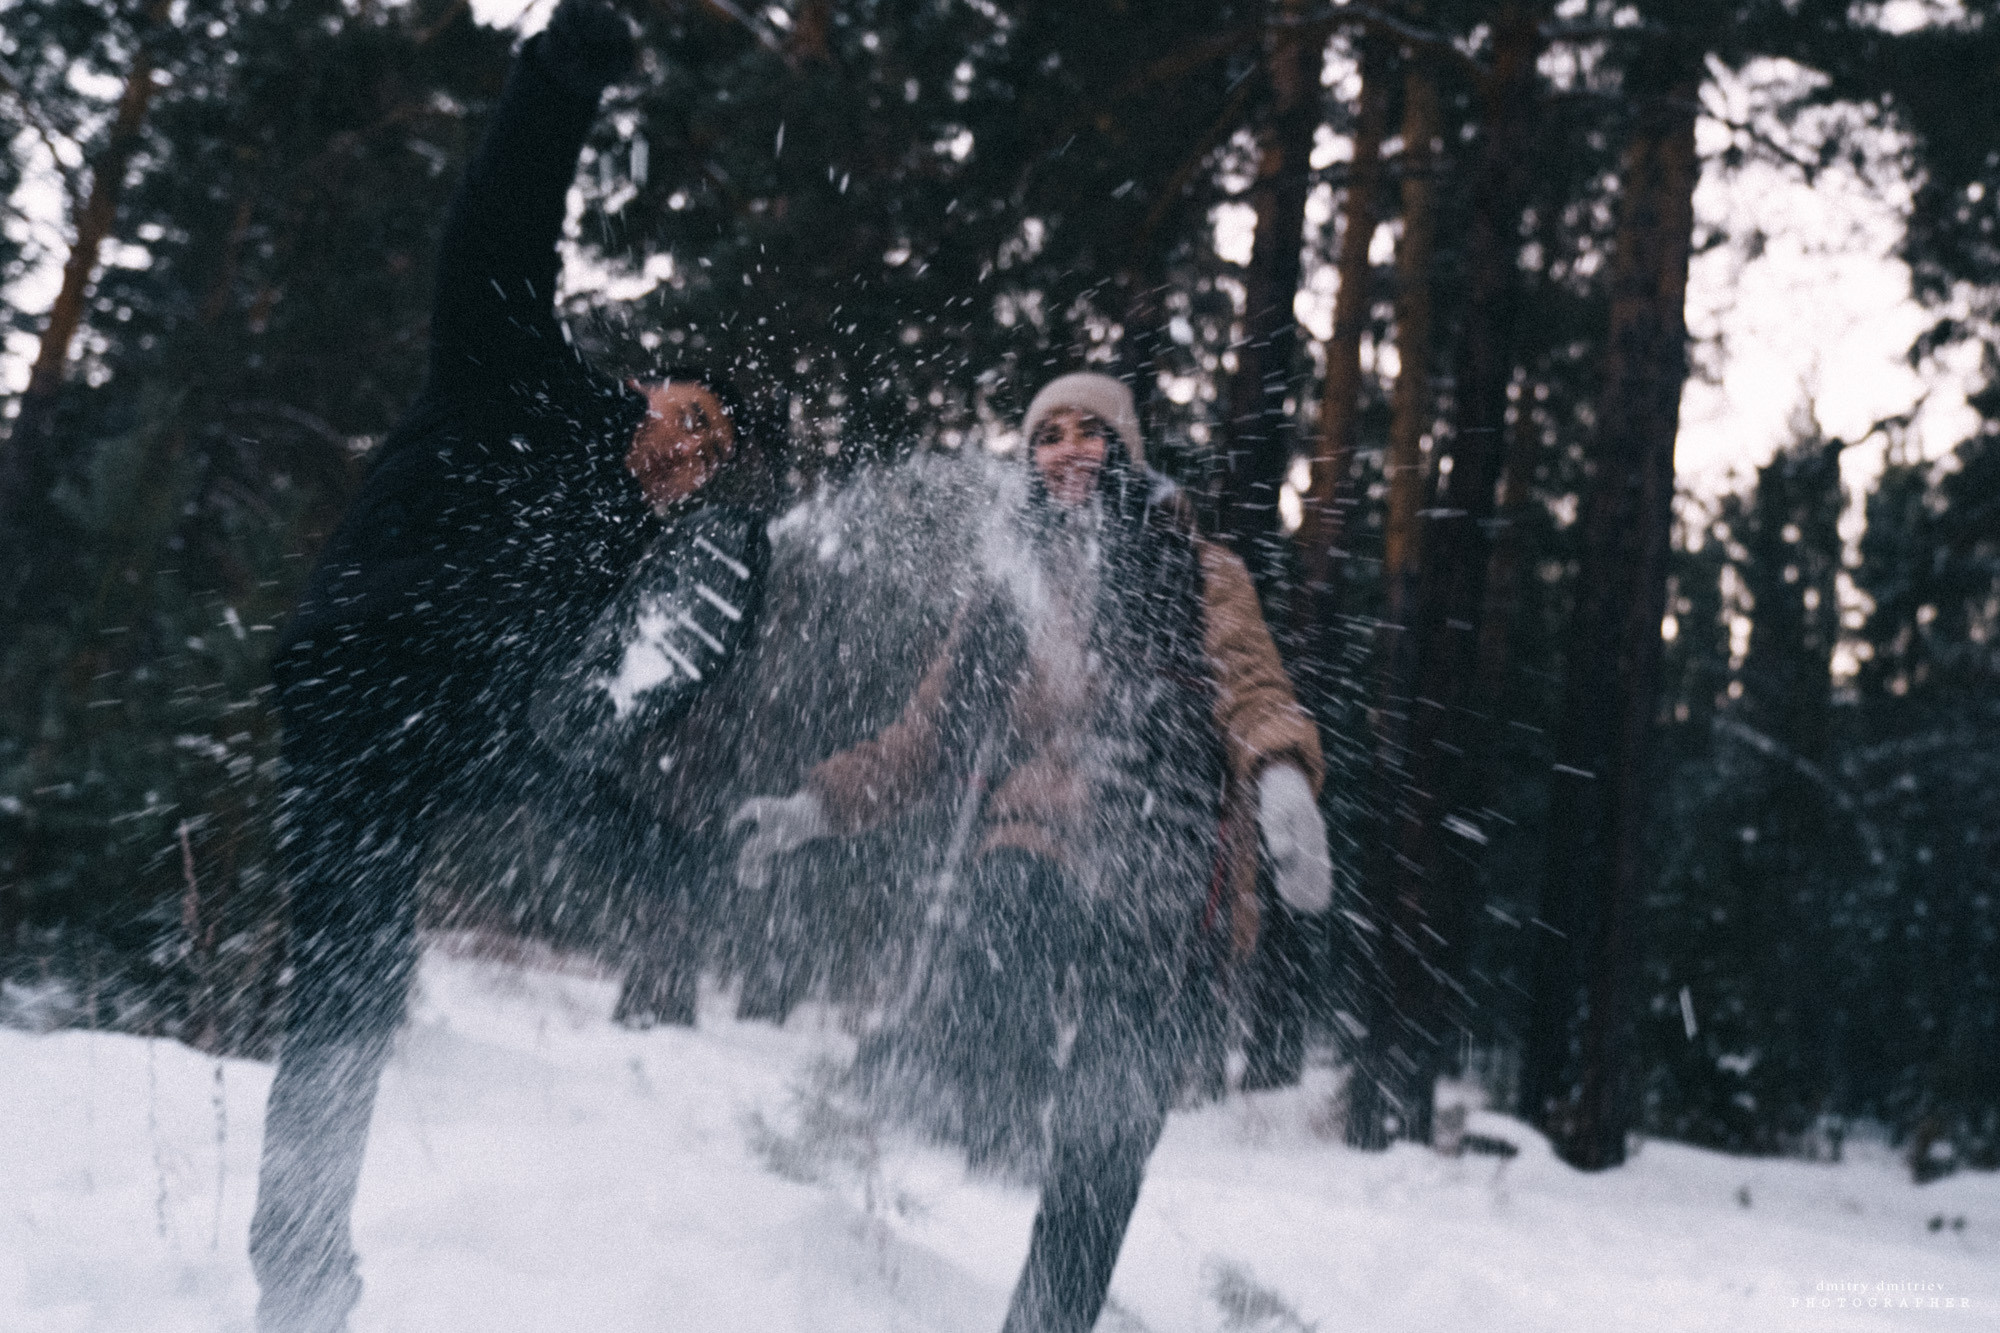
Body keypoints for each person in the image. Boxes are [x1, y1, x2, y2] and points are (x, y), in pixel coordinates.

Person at [249, 4, 770, 1328]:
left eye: (714, 453)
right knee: (351, 978)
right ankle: (298, 1285)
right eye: (693, 416)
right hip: (367, 676)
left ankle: (303, 1276)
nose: (696, 451)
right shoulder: (517, 378)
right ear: (649, 391)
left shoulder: (619, 548)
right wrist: (568, 64)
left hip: (462, 722)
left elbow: (565, 742)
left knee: (399, 949)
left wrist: (689, 868)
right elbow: (499, 225)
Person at [733, 372, 1332, 1333]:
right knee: (1007, 894)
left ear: (1126, 450)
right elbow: (925, 738)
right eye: (1047, 435)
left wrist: (1283, 781)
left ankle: (1048, 1317)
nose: (1067, 450)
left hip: (1169, 868)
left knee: (1106, 1137)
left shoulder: (1199, 569)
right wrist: (817, 805)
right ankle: (981, 1090)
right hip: (1040, 838)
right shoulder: (1006, 587)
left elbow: (1254, 692)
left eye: (1089, 431)